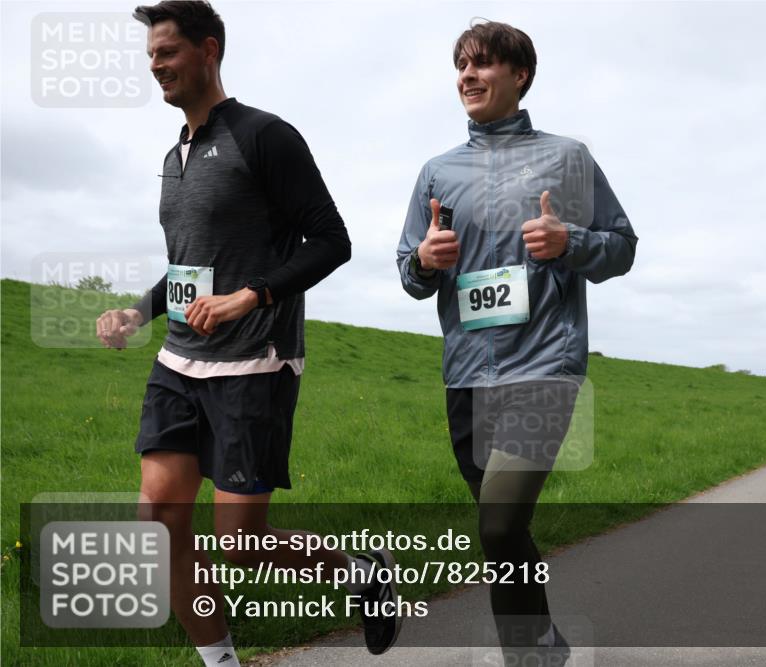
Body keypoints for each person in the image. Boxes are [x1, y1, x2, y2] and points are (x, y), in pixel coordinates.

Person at [95, 2, 399, 663]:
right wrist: (136, 314)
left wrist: (249, 297)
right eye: (150, 57)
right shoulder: (175, 156)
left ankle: (362, 573)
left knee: (243, 541)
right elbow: (187, 265)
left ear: (208, 51)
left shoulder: (265, 136)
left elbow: (332, 241)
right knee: (159, 522)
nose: (156, 67)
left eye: (167, 53)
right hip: (179, 362)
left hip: (253, 362)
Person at [396, 20, 638, 663]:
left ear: (519, 74)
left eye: (481, 66)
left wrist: (571, 243)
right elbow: (408, 274)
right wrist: (425, 258)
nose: (466, 78)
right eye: (460, 67)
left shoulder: (568, 158)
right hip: (466, 372)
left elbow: (622, 247)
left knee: (498, 524)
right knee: (506, 534)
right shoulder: (436, 172)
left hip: (544, 366)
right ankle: (545, 648)